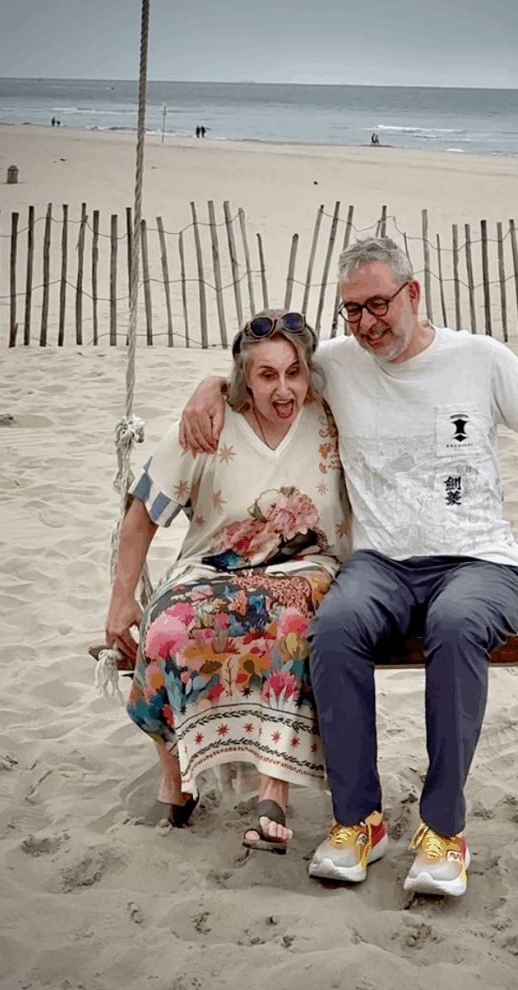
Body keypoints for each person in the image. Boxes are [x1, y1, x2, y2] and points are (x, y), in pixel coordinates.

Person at [179, 237, 518, 894]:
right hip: (383, 565)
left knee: (454, 625)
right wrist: (208, 387)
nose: (366, 323)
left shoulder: (479, 358)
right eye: (352, 310)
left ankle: (444, 834)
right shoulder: (337, 362)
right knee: (334, 628)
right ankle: (359, 824)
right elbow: (272, 368)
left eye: (378, 304)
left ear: (413, 294)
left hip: (481, 563)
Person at [106, 310, 350, 853]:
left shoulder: (331, 415)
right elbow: (143, 512)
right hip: (212, 569)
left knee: (288, 616)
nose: (284, 388)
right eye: (267, 376)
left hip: (305, 568)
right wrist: (122, 599)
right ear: (244, 380)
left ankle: (274, 791)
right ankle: (177, 780)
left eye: (294, 372)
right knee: (164, 628)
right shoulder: (207, 425)